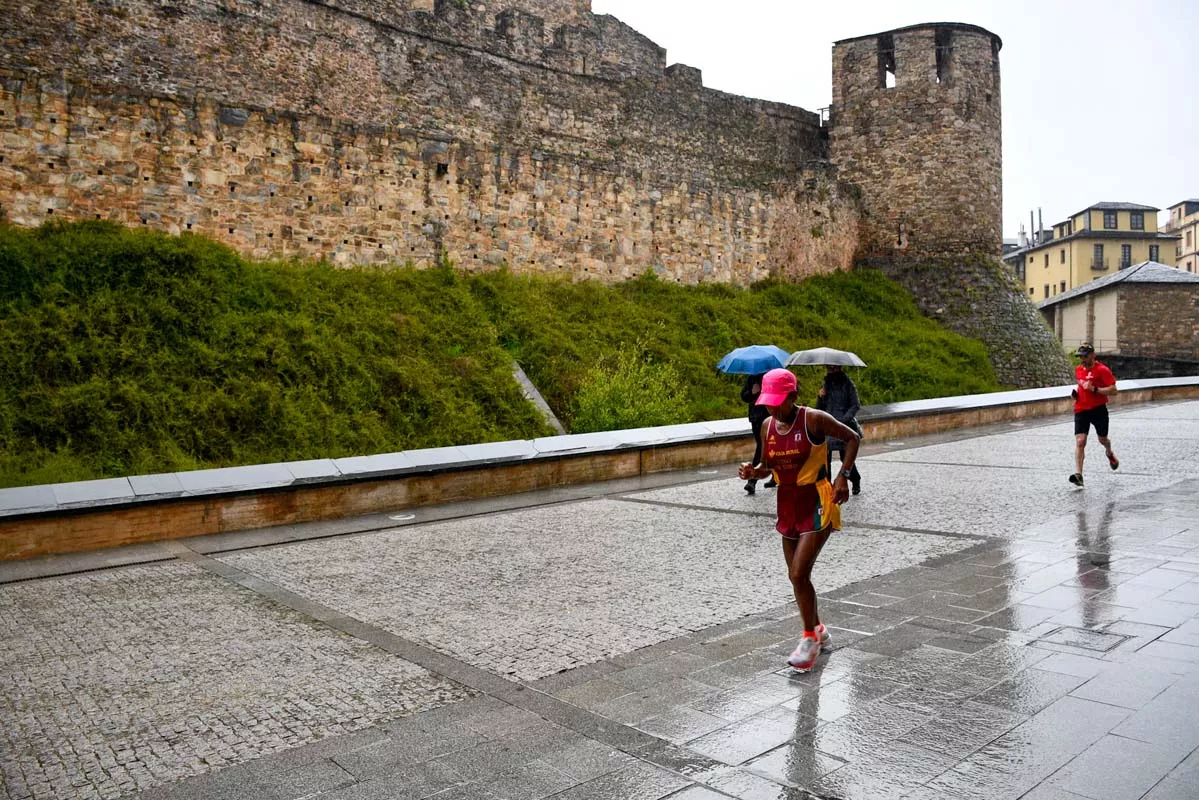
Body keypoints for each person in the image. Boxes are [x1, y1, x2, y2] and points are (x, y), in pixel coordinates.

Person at [738, 368, 860, 672]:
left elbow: (853, 437)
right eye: (767, 402)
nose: (771, 408)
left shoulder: (813, 419)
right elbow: (767, 466)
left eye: (777, 402)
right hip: (787, 503)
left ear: (793, 396)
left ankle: (809, 639)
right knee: (798, 577)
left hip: (818, 500)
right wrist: (755, 473)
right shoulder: (767, 425)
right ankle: (818, 629)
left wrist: (843, 476)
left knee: (797, 573)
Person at [1070, 343, 1119, 487]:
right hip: (1081, 409)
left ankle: (1109, 452)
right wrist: (1076, 395)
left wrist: (1095, 389)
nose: (1082, 360)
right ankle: (1079, 475)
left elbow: (1114, 390)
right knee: (1080, 441)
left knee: (1102, 439)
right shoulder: (1078, 370)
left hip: (1098, 409)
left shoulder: (1102, 370)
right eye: (1080, 357)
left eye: (1085, 356)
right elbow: (1081, 386)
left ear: (1092, 355)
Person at [815, 364, 863, 495]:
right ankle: (828, 486)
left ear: (840, 368)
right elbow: (819, 408)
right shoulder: (825, 385)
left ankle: (855, 479)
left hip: (844, 425)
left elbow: (855, 405)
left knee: (845, 457)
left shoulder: (848, 384)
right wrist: (820, 397)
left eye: (834, 368)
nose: (832, 371)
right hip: (828, 425)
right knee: (826, 458)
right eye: (829, 368)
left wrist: (844, 420)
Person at [741, 373, 776, 494]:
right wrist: (752, 392)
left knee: (763, 447)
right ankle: (775, 476)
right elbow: (744, 396)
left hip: (769, 417)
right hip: (755, 418)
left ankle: (752, 481)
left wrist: (764, 391)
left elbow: (776, 396)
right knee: (765, 447)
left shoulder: (771, 377)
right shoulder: (752, 378)